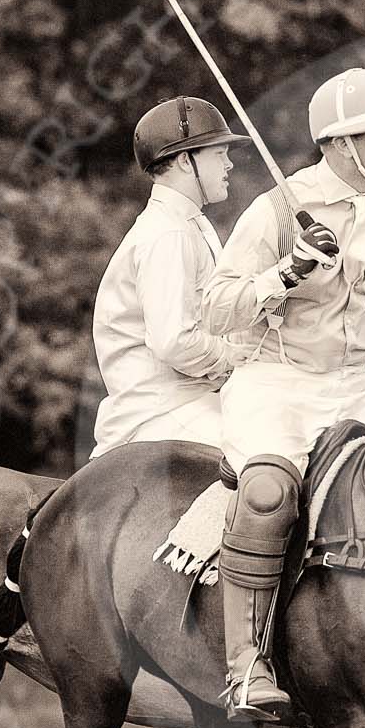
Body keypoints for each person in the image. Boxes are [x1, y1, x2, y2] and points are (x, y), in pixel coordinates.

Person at [196, 68, 365, 723]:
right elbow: (216, 309)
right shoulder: (278, 211)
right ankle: (247, 664)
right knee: (267, 492)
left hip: (356, 384)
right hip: (275, 381)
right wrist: (288, 272)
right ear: (339, 143)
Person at [89, 96, 246, 458]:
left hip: (191, 399)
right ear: (183, 161)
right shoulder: (168, 234)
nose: (230, 163)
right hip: (160, 410)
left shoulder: (190, 225)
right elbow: (174, 341)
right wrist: (240, 357)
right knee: (263, 458)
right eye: (218, 154)